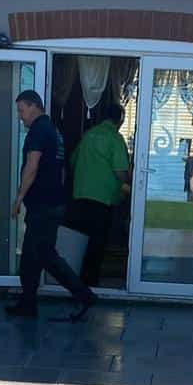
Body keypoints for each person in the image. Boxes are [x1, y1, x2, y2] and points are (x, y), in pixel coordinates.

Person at [8, 89, 95, 322]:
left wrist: (18, 200)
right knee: (37, 255)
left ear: (34, 106)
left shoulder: (38, 131)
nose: (20, 116)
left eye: (21, 110)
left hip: (43, 207)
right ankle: (29, 303)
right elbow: (63, 170)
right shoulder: (54, 131)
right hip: (52, 204)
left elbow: (31, 166)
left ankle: (83, 295)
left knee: (39, 256)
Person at [65, 101, 131, 289]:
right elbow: (120, 172)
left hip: (80, 196)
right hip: (102, 199)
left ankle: (73, 280)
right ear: (120, 119)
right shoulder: (114, 138)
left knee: (80, 241)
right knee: (97, 244)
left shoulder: (88, 135)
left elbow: (73, 162)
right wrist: (130, 180)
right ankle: (89, 283)